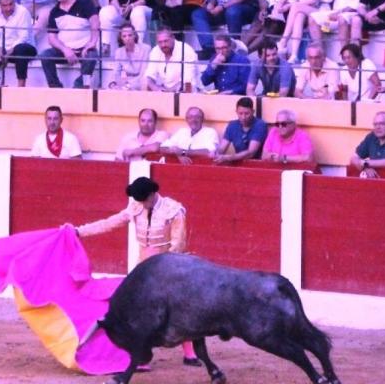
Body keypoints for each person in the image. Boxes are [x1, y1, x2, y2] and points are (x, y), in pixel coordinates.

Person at [73, 176, 202, 369]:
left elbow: (178, 244)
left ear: (152, 195)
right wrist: (79, 231)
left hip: (170, 265)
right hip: (143, 266)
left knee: (181, 307)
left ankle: (190, 353)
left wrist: (163, 268)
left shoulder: (174, 210)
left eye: (143, 199)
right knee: (140, 311)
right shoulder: (136, 207)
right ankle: (142, 355)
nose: (140, 203)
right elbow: (111, 222)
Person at [350, 111, 385, 176]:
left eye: (382, 124)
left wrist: (365, 163)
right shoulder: (371, 137)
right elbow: (353, 158)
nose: (377, 127)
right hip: (375, 180)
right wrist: (364, 167)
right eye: (375, 124)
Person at [214, 97, 268, 163]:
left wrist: (229, 158)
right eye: (240, 113)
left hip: (257, 165)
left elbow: (251, 153)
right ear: (236, 112)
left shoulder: (260, 125)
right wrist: (215, 152)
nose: (243, 117)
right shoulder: (232, 125)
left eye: (247, 113)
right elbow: (222, 148)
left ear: (253, 112)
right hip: (237, 163)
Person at [107, 24, 151, 91]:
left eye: (130, 35)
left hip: (141, 82)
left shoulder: (146, 49)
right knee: (109, 90)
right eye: (124, 36)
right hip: (125, 83)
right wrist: (113, 84)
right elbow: (116, 73)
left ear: (134, 35)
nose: (127, 38)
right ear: (121, 38)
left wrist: (128, 84)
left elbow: (143, 74)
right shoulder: (119, 52)